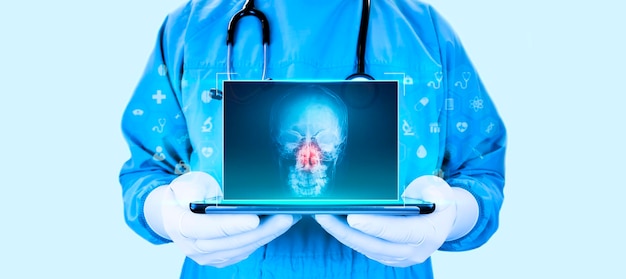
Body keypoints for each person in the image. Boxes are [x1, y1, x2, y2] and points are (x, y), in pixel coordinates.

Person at [119, 0, 507, 278]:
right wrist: (164, 211)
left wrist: (455, 212)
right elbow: (147, 170)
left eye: (324, 142)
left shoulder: (426, 33)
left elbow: (480, 169)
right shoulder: (191, 29)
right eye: (293, 140)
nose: (308, 156)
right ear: (274, 142)